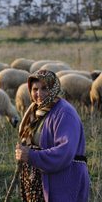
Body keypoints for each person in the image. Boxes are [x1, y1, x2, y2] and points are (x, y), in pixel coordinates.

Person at [15, 69, 90, 202]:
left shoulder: (64, 113)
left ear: (54, 88)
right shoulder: (35, 112)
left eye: (45, 88)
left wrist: (31, 155)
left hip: (63, 182)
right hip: (39, 182)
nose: (39, 94)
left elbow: (64, 152)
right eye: (35, 89)